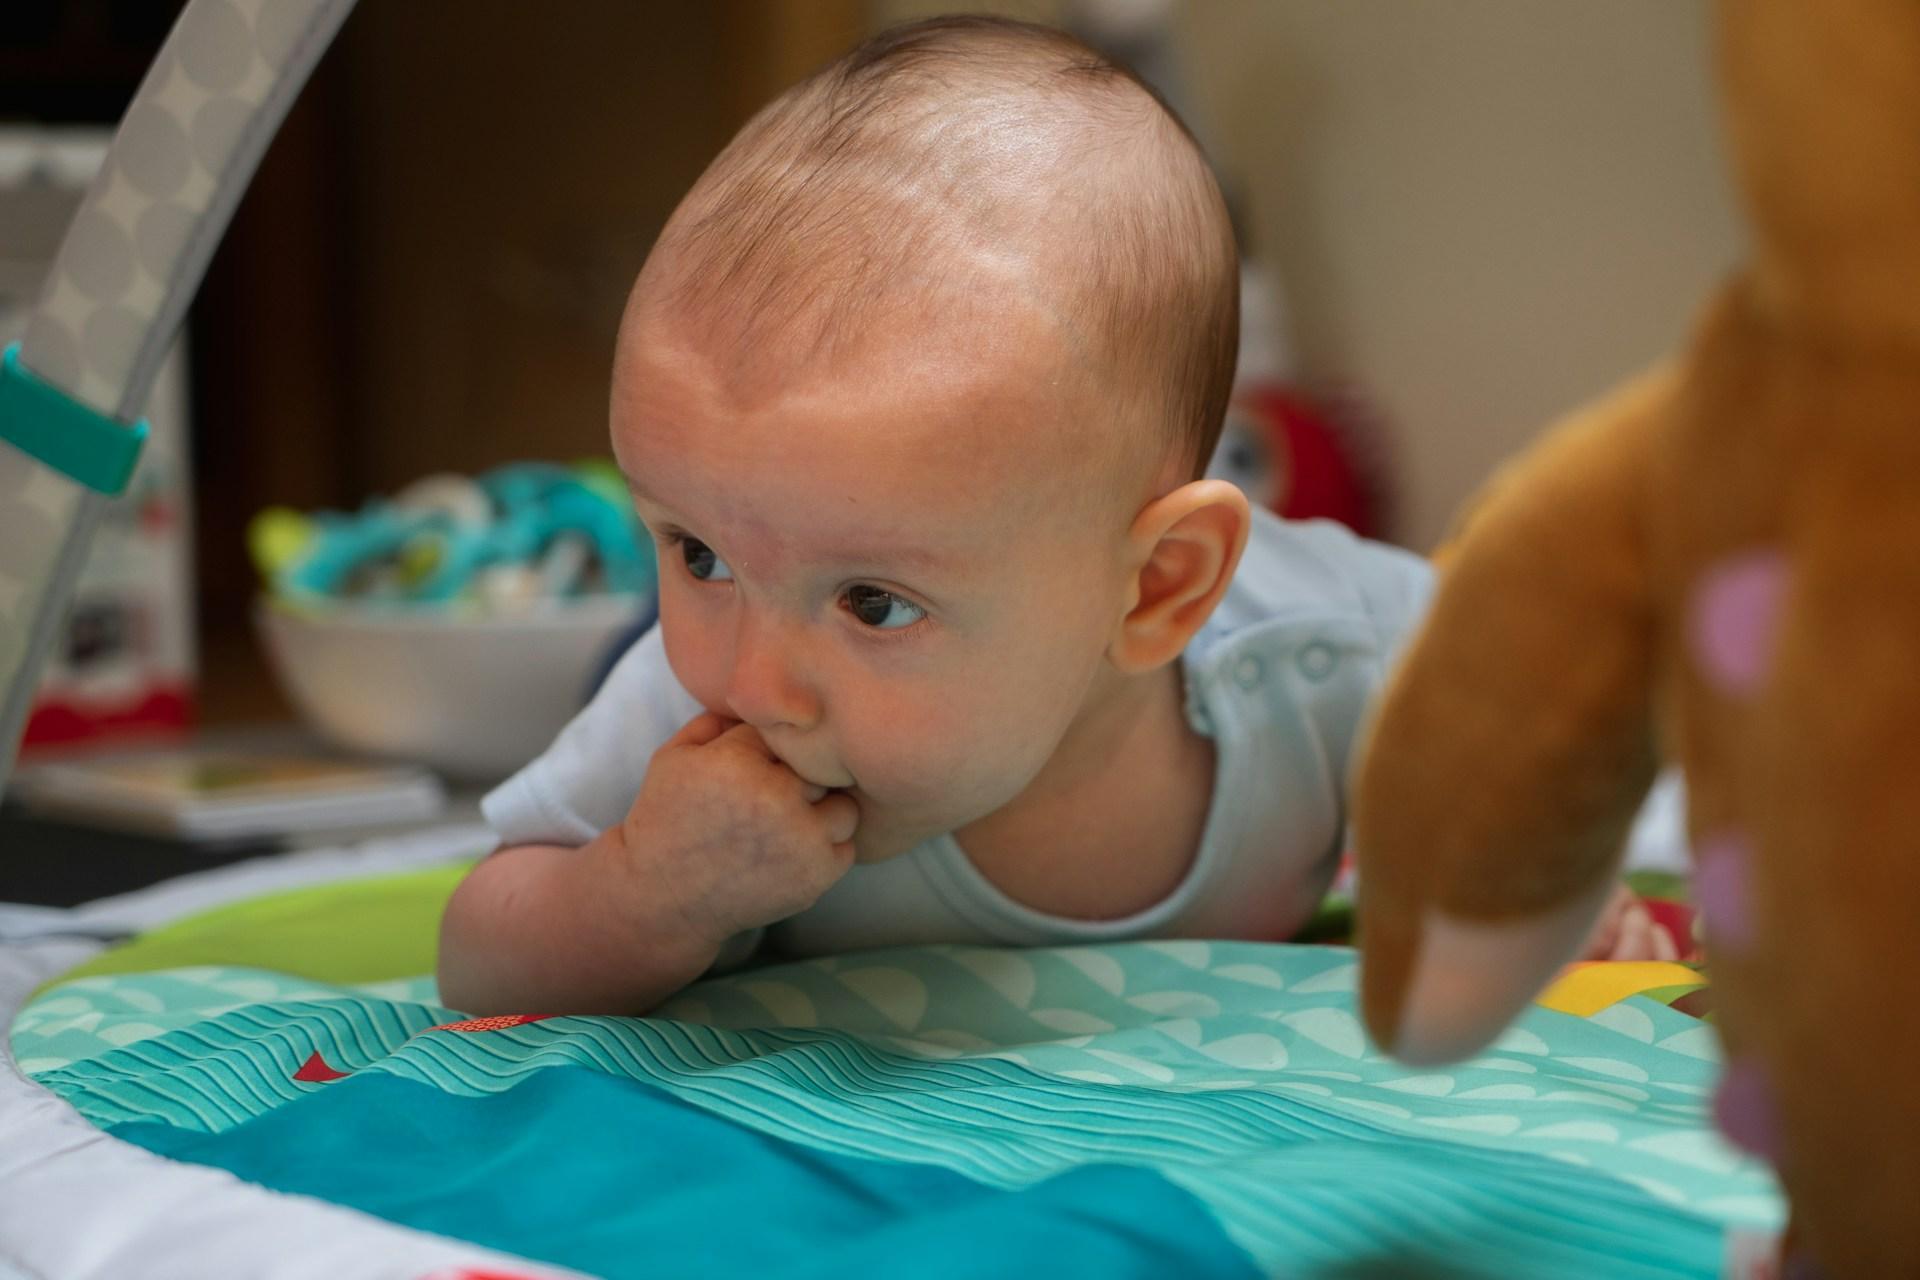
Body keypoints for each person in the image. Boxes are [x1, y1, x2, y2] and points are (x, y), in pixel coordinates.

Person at [437, 15, 1668, 1017]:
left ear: (1157, 588)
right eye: (691, 546)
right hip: (644, 739)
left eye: (874, 600)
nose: (756, 676)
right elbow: (480, 959)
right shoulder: (690, 708)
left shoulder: (1314, 654)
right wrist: (646, 891)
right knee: (638, 651)